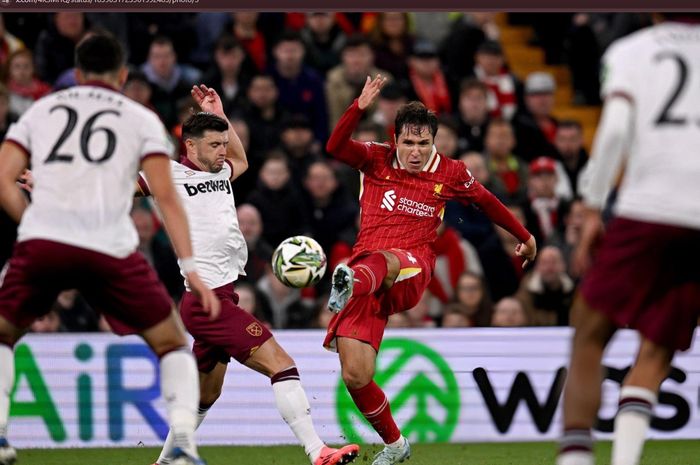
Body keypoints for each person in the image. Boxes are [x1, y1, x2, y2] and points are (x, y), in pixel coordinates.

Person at [0, 34, 219, 465]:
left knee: (3, 334)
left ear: (77, 74)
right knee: (173, 343)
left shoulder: (40, 110)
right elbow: (167, 196)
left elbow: (4, 178)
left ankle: (2, 435)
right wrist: (191, 268)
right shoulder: (140, 118)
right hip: (109, 246)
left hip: (45, 239)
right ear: (121, 76)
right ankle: (181, 451)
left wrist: (31, 222)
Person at [323, 75, 537, 465]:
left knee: (383, 260)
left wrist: (524, 235)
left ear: (434, 142)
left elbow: (487, 202)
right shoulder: (374, 158)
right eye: (408, 143)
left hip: (409, 268)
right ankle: (395, 444)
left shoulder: (451, 172)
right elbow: (334, 146)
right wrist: (358, 107)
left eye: (423, 143)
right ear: (396, 139)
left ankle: (348, 281)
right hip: (366, 279)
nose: (416, 151)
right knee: (356, 376)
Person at [140, 85, 359, 465]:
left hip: (223, 296)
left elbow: (240, 159)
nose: (222, 151)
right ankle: (317, 451)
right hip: (205, 301)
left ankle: (166, 462)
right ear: (189, 147)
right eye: (213, 145)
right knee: (283, 365)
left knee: (206, 395)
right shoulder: (167, 176)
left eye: (223, 143)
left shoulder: (221, 170)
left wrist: (220, 113)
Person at [557, 16, 700, 465]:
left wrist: (594, 205)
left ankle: (576, 458)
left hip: (647, 208)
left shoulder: (632, 51)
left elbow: (616, 131)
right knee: (657, 344)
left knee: (589, 333)